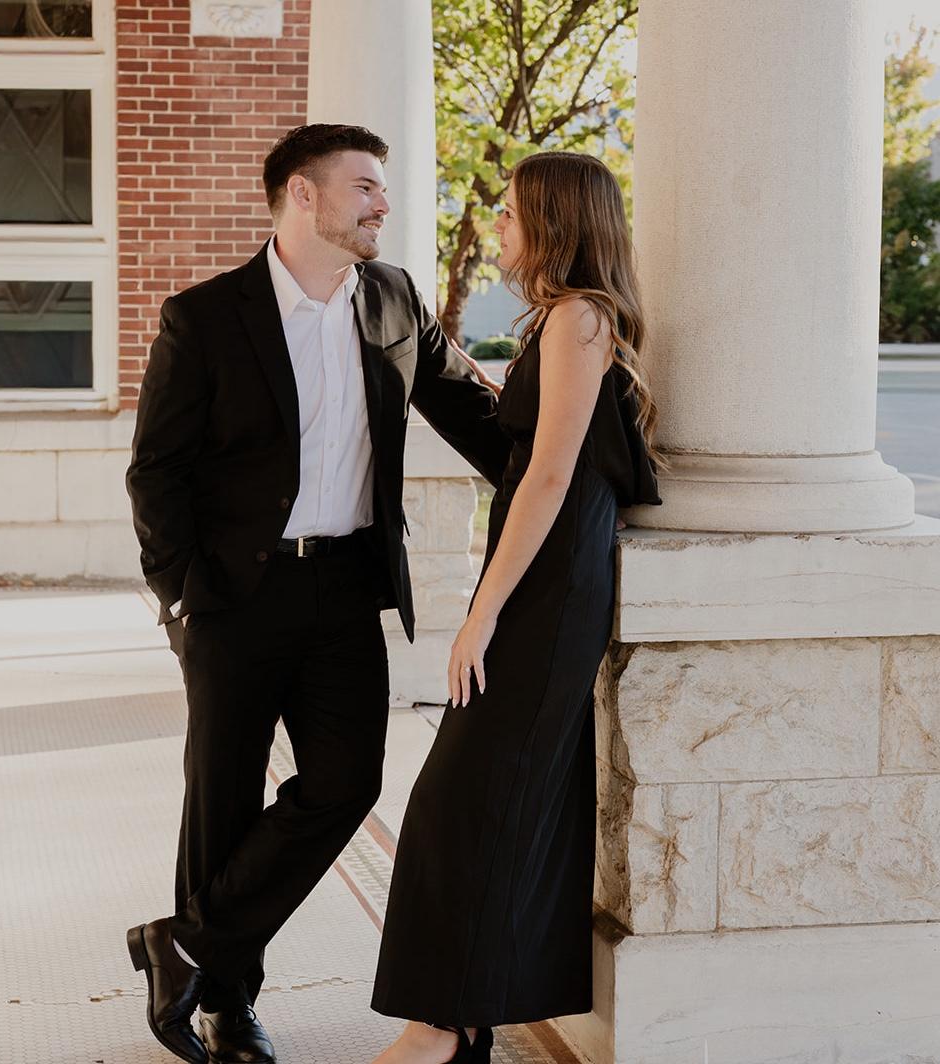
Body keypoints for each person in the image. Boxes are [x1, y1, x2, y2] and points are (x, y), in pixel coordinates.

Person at [123, 123, 512, 1064]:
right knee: (221, 798)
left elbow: (472, 413)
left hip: (345, 585)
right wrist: (182, 596)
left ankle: (184, 945)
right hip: (234, 595)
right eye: (365, 185)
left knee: (346, 782)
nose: (384, 203)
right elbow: (156, 471)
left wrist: (574, 475)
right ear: (303, 193)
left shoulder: (394, 297)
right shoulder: (205, 317)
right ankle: (227, 1006)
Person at [369, 150, 666, 1064]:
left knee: (471, 799)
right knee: (478, 800)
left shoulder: (581, 318)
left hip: (548, 591)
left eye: (510, 210)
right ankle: (459, 1023)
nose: (499, 223)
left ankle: (444, 1026)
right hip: (541, 580)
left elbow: (548, 477)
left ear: (555, 220)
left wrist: (482, 612)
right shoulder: (562, 319)